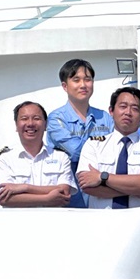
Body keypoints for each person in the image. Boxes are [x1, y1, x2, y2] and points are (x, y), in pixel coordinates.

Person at [75, 87, 140, 209]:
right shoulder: (94, 145)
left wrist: (102, 177)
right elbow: (87, 186)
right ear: (111, 111)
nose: (128, 112)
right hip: (103, 218)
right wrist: (136, 191)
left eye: (135, 109)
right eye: (123, 106)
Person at [45, 59, 115, 208]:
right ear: (65, 86)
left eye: (87, 79)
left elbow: (117, 150)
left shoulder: (105, 117)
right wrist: (104, 151)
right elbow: (76, 151)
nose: (83, 85)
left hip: (103, 195)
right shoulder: (56, 119)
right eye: (76, 80)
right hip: (71, 198)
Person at [0, 101, 75, 208]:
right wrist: (47, 199)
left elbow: (64, 192)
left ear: (45, 125)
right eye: (24, 119)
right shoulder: (4, 159)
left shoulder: (61, 157)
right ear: (16, 125)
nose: (30, 124)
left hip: (52, 218)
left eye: (36, 118)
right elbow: (5, 199)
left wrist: (24, 188)